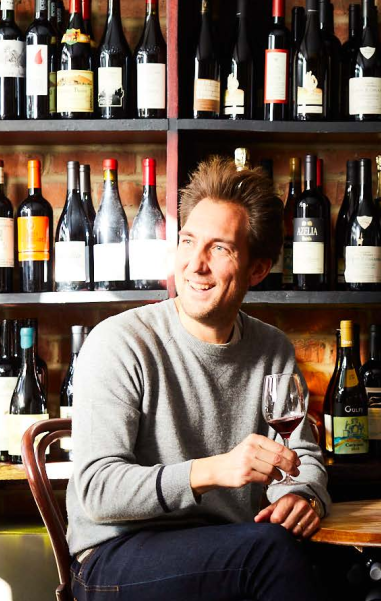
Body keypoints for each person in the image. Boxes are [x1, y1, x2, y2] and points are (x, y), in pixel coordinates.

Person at [65, 157, 330, 601]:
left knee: (348, 564)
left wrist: (302, 497)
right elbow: (97, 489)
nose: (196, 265)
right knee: (272, 555)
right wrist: (214, 470)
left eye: (220, 249)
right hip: (115, 556)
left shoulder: (272, 348)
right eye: (188, 241)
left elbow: (300, 454)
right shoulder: (121, 342)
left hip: (228, 549)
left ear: (257, 270)